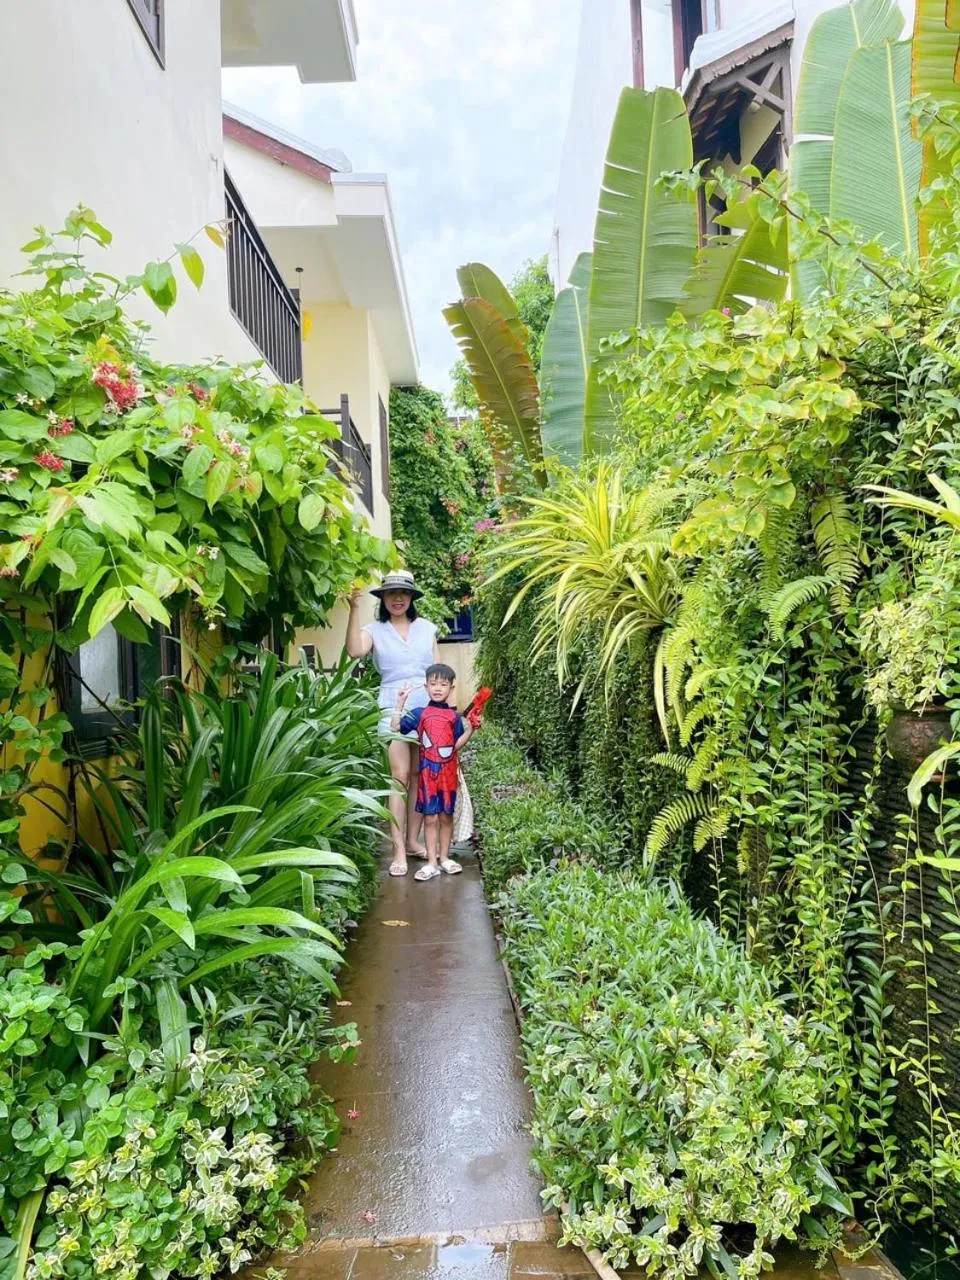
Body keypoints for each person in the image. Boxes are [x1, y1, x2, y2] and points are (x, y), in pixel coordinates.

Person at [346, 569, 440, 876]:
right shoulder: (374, 629)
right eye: (391, 593)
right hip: (393, 706)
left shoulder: (427, 628)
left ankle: (413, 842)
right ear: (383, 598)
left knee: (418, 774)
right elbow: (354, 651)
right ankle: (398, 850)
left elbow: (439, 672)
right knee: (399, 776)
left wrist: (446, 713)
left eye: (403, 593)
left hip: (426, 706)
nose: (398, 598)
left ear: (411, 598)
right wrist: (352, 609)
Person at [392, 663, 477, 882]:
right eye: (433, 684)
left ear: (451, 687)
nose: (438, 688)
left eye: (443, 684)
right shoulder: (420, 714)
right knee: (429, 819)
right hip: (427, 777)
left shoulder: (453, 718)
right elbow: (395, 727)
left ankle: (444, 858)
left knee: (446, 818)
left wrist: (470, 730)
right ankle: (431, 862)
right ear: (426, 686)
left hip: (448, 777)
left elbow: (455, 746)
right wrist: (400, 703)